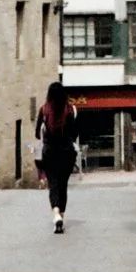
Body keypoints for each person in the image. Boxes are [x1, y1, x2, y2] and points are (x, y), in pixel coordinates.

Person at [35, 81, 80, 234]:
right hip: (67, 153)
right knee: (63, 185)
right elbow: (75, 133)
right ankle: (60, 216)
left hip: (50, 153)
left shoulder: (44, 109)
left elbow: (37, 133)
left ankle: (55, 214)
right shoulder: (69, 109)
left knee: (53, 184)